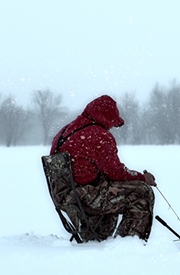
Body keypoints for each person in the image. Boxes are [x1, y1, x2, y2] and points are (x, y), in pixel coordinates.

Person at [50, 95, 156, 241]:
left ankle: (98, 237)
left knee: (112, 189)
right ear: (105, 118)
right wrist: (142, 178)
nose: (112, 127)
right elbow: (115, 172)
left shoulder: (66, 130)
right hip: (83, 195)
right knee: (142, 193)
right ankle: (129, 244)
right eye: (112, 123)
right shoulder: (98, 135)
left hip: (64, 194)